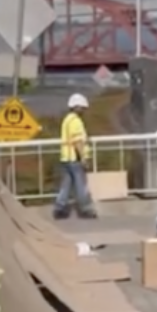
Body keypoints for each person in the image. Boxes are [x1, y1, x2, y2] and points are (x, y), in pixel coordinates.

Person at [53, 93, 97, 221]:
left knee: (65, 185)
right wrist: (83, 158)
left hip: (66, 157)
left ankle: (60, 208)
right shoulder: (76, 121)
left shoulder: (67, 120)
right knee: (81, 185)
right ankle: (85, 209)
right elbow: (77, 141)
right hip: (75, 158)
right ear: (77, 107)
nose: (84, 111)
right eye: (82, 108)